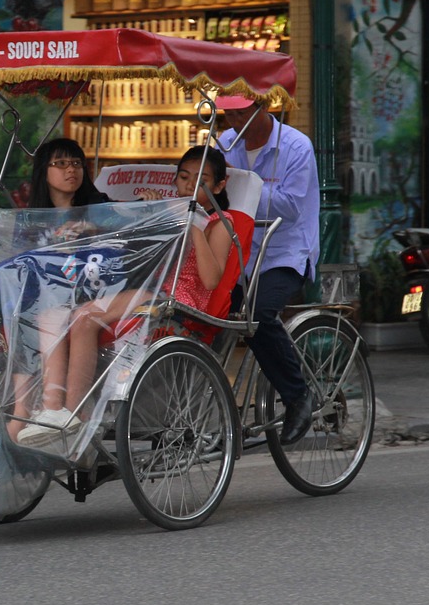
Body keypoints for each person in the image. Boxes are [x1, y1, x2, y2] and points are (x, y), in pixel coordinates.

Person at [19, 146, 236, 448]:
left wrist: (192, 226)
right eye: (184, 177)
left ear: (218, 186)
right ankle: (65, 410)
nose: (188, 185)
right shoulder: (167, 208)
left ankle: (74, 413)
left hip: (179, 300)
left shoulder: (220, 222)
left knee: (84, 316)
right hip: (146, 288)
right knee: (72, 317)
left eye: (200, 180)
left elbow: (212, 279)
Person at [0, 137, 106, 429]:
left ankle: (24, 409)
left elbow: (123, 231)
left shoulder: (97, 209)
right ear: (43, 172)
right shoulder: (28, 219)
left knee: (28, 309)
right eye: (60, 163)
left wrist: (90, 228)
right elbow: (16, 261)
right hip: (34, 289)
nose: (70, 170)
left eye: (75, 163)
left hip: (77, 288)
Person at [216, 94, 318, 445]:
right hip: (238, 252)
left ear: (264, 108)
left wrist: (241, 183)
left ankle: (297, 396)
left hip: (285, 252)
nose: (234, 121)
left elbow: (290, 207)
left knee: (256, 315)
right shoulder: (225, 143)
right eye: (228, 113)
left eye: (241, 113)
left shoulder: (296, 146)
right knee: (199, 310)